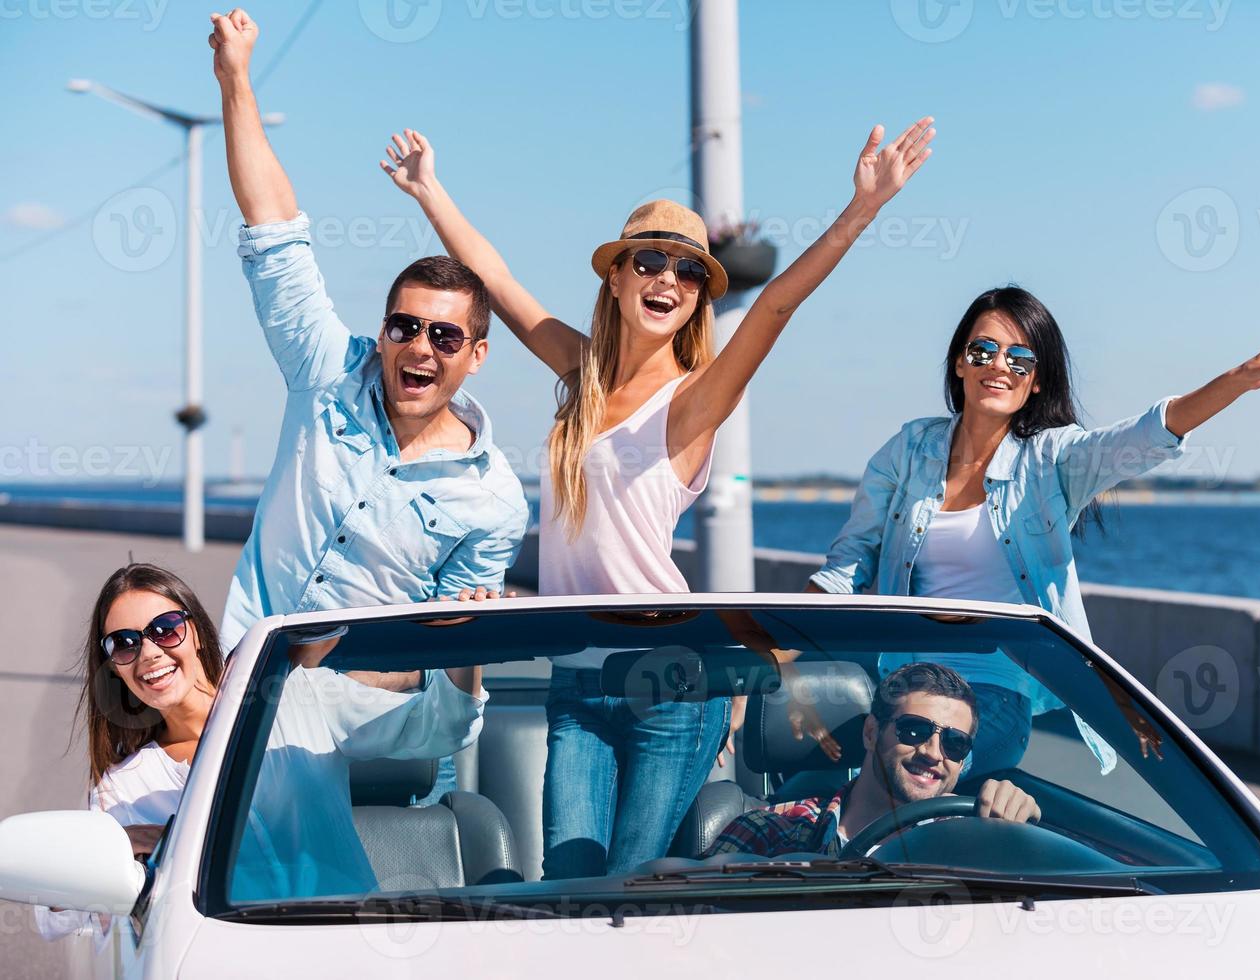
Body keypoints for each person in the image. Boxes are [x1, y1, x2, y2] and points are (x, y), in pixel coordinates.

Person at [382, 111, 935, 879]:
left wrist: (862, 208)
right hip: (578, 677)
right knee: (571, 886)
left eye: (686, 273)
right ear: (616, 276)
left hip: (675, 679)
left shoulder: (690, 402)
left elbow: (774, 305)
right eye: (648, 261)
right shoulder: (579, 376)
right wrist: (428, 191)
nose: (666, 281)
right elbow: (498, 283)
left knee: (630, 893)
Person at [808, 286, 1260, 775]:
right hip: (906, 685)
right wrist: (772, 665)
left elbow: (1147, 434)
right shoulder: (909, 450)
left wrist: (1242, 376)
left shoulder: (1050, 461)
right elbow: (845, 570)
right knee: (824, 791)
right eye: (985, 349)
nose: (1000, 366)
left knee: (926, 774)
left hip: (994, 691)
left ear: (1035, 381)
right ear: (959, 361)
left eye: (1021, 359)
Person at [208, 8, 529, 657]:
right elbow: (274, 229)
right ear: (381, 334)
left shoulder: (492, 498)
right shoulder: (326, 370)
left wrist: (475, 618)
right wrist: (234, 78)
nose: (419, 346)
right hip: (249, 689)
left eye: (444, 336)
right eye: (404, 327)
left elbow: (448, 656)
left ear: (477, 355)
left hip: (370, 719)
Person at [37, 563, 485, 940]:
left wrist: (471, 643)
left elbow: (441, 728)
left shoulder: (294, 697)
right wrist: (127, 845)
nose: (149, 653)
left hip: (355, 945)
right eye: (125, 643)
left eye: (165, 630)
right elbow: (61, 917)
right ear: (113, 666)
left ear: (194, 632)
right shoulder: (124, 788)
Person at [705, 662, 1039, 858]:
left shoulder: (975, 838)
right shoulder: (771, 831)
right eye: (914, 730)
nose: (934, 753)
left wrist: (1018, 834)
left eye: (955, 742)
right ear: (870, 733)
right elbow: (697, 931)